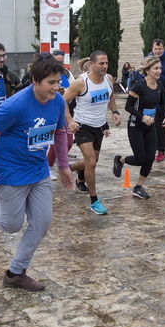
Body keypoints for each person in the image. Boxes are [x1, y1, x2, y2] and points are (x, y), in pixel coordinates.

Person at [0, 54, 69, 292]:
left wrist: (63, 166)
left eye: (58, 81)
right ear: (35, 80)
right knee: (11, 225)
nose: (56, 87)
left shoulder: (58, 102)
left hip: (38, 171)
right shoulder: (17, 104)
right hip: (11, 172)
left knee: (41, 223)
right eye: (51, 82)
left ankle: (15, 273)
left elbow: (60, 133)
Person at [65, 50, 121, 215]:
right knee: (91, 162)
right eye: (101, 63)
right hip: (83, 126)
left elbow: (110, 97)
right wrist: (70, 121)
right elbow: (62, 102)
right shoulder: (80, 83)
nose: (105, 66)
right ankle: (94, 200)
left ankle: (72, 167)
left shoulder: (109, 79)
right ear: (92, 64)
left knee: (93, 160)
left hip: (99, 126)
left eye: (106, 63)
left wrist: (115, 112)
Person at [113, 56, 165, 199]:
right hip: (135, 125)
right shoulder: (139, 85)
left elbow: (162, 105)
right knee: (140, 159)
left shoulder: (160, 85)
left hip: (150, 126)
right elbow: (128, 106)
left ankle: (138, 186)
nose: (159, 71)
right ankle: (120, 160)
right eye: (156, 68)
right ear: (148, 70)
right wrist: (142, 117)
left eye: (160, 68)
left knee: (150, 157)